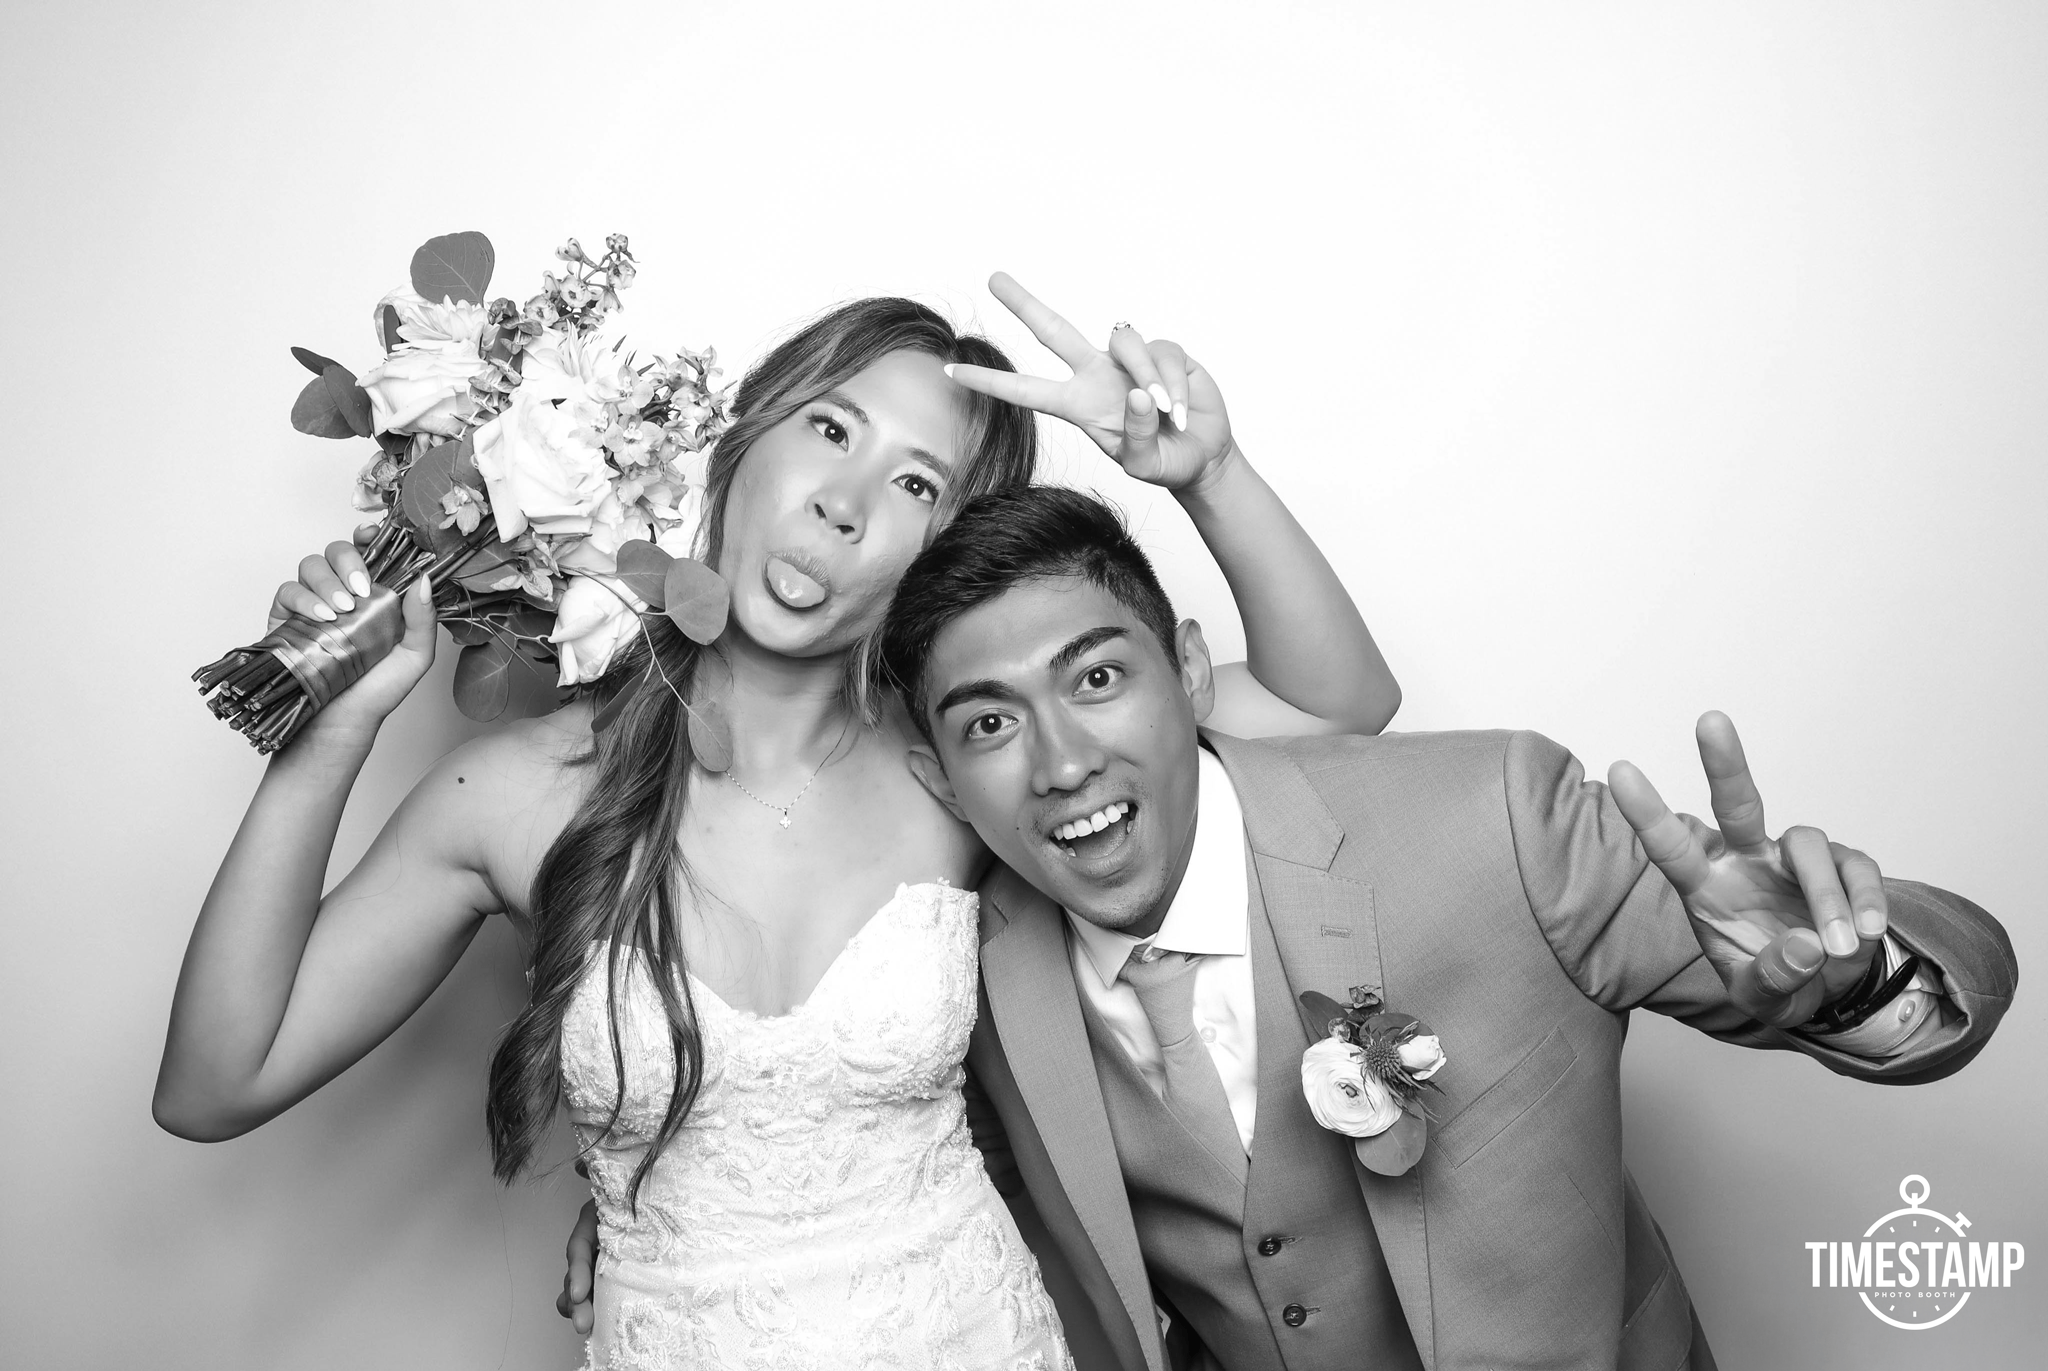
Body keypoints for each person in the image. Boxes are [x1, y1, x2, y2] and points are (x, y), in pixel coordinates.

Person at [155, 278, 1402, 1368]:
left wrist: (1207, 476)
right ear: (741, 437)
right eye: (829, 430)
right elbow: (217, 1082)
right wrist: (330, 734)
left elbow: (1331, 702)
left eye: (915, 482)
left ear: (939, 546)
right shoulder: (521, 793)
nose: (844, 505)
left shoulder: (957, 763)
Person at [841, 483, 2007, 1371]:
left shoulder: (1490, 816)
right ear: (940, 780)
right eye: (989, 725)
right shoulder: (960, 981)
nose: (1060, 763)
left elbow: (1933, 1007)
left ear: (1190, 672)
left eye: (1096, 680)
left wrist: (1850, 977)